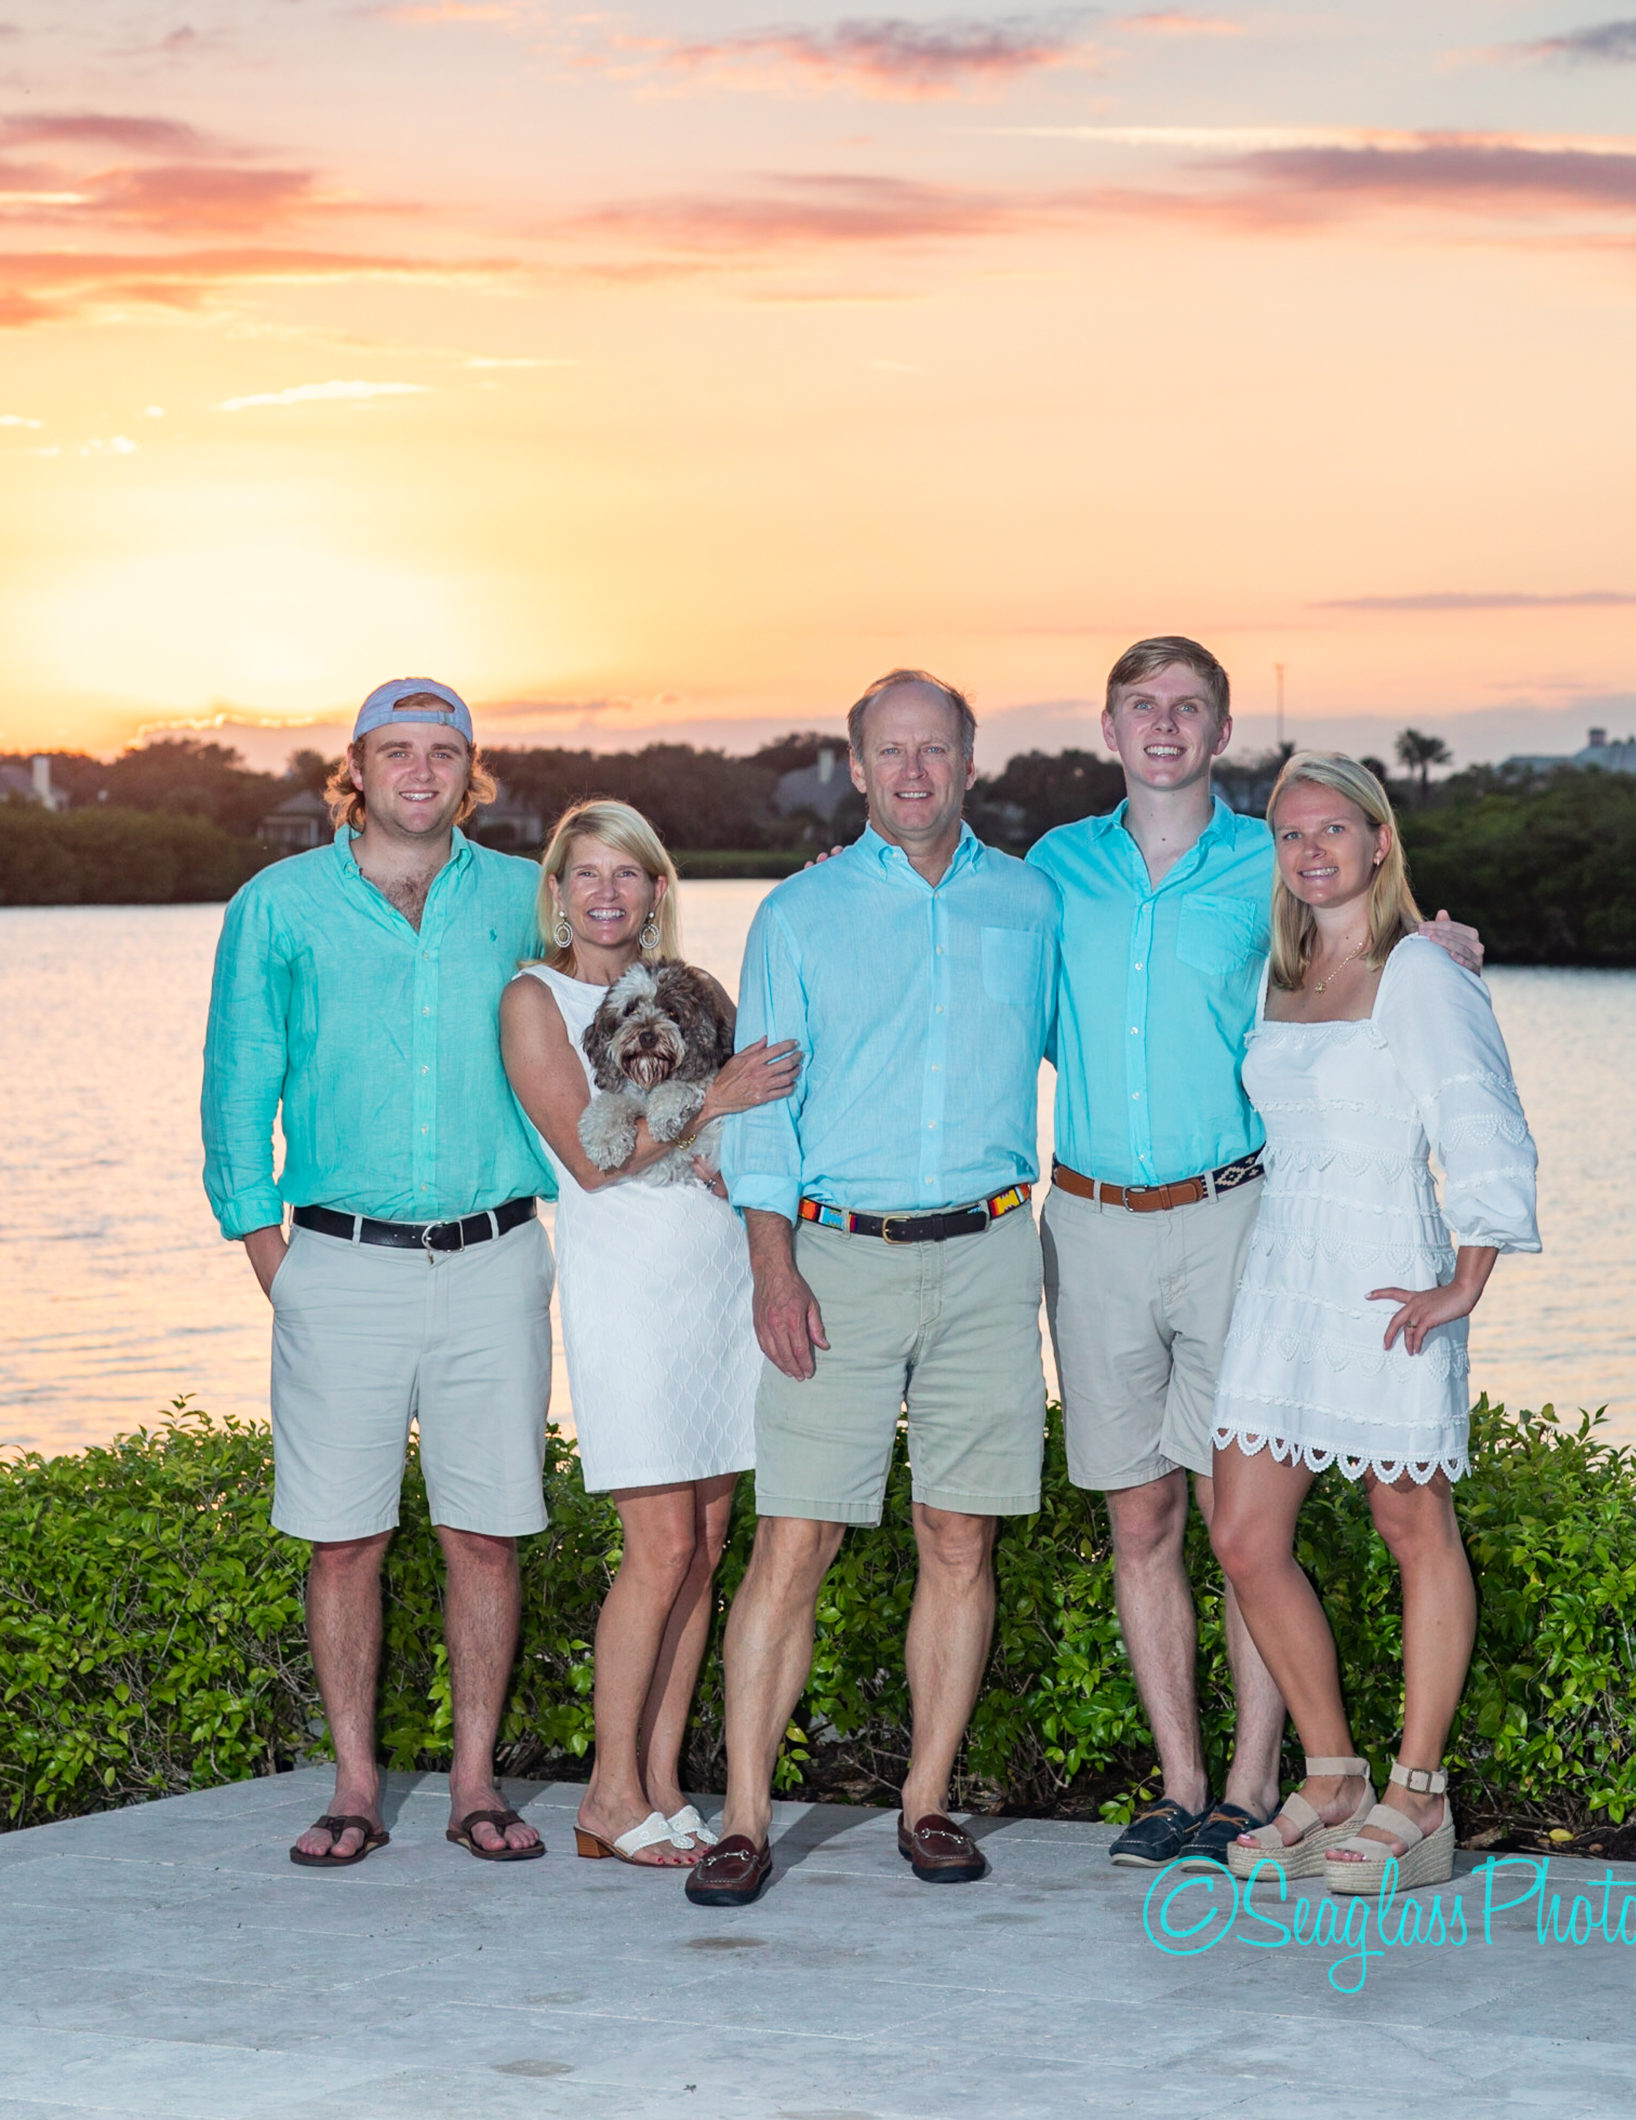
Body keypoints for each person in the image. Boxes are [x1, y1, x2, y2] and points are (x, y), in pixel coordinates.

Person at [1027, 638, 1484, 1870]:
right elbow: (970, 980)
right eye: (1142, 706)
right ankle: (1184, 1785)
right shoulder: (1052, 867)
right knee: (1151, 1517)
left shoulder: (1268, 861)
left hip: (1244, 1217)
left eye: (1188, 705)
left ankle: (1257, 1784)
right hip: (1094, 1218)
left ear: (1221, 727)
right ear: (1110, 725)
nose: (1164, 724)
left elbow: (1390, 994)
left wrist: (1439, 948)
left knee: (1264, 1514)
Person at [684, 670, 1058, 1906]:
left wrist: (1398, 954)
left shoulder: (1030, 901)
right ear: (856, 767)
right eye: (889, 751)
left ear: (969, 761)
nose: (913, 772)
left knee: (960, 1534)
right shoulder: (799, 915)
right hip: (834, 1252)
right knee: (797, 1535)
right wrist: (771, 1266)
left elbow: (1133, 1027)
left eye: (935, 750)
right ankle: (742, 1819)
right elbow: (765, 1112)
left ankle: (928, 1802)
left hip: (992, 1249)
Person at [201, 679, 557, 1867]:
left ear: (473, 770)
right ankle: (355, 1785)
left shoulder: (524, 895)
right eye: (396, 751)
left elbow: (630, 987)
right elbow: (237, 1085)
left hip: (497, 1253)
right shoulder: (277, 905)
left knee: (485, 1532)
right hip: (338, 1262)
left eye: (443, 751)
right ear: (355, 767)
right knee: (343, 1538)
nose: (421, 771)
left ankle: (471, 1785)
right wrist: (272, 1257)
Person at [1208, 752, 1539, 1895]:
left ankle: (1419, 1794)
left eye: (1332, 830)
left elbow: (1481, 1120)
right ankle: (1333, 1774)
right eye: (1291, 835)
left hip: (1384, 1273)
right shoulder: (1281, 974)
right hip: (1283, 1272)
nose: (1310, 851)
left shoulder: (1422, 973)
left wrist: (1467, 1274)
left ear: (1379, 840)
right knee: (1244, 1533)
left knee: (1414, 1523)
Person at [499, 798, 800, 1869]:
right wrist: (714, 1098)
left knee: (707, 1547)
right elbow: (590, 1160)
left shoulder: (686, 994)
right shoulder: (535, 997)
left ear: (657, 888)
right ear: (559, 890)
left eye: (628, 874)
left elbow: (734, 1125)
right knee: (658, 1545)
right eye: (587, 875)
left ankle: (663, 1785)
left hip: (713, 1273)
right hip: (626, 1280)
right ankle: (605, 1791)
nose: (608, 894)